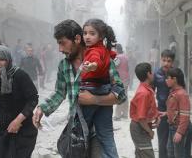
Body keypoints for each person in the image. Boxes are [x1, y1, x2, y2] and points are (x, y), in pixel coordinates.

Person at [32, 19, 126, 158]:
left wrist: (95, 99)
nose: (60, 49)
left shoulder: (101, 60)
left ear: (76, 39)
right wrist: (42, 109)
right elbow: (59, 93)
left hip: (97, 132)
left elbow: (121, 95)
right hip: (76, 131)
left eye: (62, 43)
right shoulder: (63, 65)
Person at [0, 45, 38, 158]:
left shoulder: (20, 75)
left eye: (1, 59)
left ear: (8, 60)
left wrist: (18, 120)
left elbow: (33, 98)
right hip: (1, 132)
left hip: (22, 130)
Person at [80, 18, 119, 157]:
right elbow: (111, 56)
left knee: (80, 131)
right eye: (85, 33)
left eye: (92, 33)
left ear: (101, 36)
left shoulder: (93, 51)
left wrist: (91, 66)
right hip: (104, 89)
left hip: (91, 89)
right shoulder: (105, 50)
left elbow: (95, 61)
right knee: (107, 134)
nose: (87, 36)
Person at [130, 63, 159, 158]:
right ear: (148, 74)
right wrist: (150, 132)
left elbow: (147, 111)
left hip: (141, 127)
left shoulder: (146, 89)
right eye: (152, 72)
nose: (153, 74)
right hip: (139, 128)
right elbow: (141, 118)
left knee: (141, 154)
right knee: (147, 154)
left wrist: (156, 116)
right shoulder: (144, 93)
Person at [165, 68, 192, 158]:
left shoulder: (182, 94)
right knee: (170, 151)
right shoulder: (174, 92)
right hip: (173, 127)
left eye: (168, 78)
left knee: (179, 154)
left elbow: (185, 115)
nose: (166, 80)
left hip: (179, 128)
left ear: (174, 79)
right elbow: (175, 110)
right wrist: (166, 113)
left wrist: (180, 132)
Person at [153, 49, 175, 158]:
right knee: (162, 139)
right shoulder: (156, 74)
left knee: (174, 139)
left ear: (173, 62)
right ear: (160, 60)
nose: (166, 63)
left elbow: (182, 90)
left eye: (169, 61)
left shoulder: (177, 73)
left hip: (175, 110)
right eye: (164, 60)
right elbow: (151, 92)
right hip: (161, 109)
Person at [114, 43, 130, 120]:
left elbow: (114, 67)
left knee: (119, 96)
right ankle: (125, 114)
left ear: (117, 49)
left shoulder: (117, 58)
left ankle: (117, 115)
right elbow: (128, 68)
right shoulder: (126, 57)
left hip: (119, 79)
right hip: (126, 78)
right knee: (125, 96)